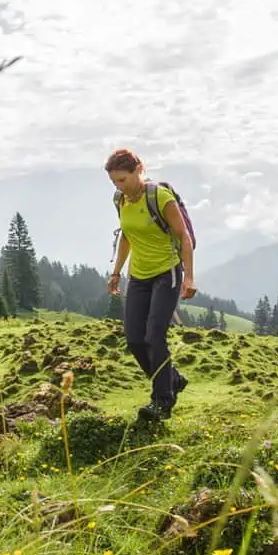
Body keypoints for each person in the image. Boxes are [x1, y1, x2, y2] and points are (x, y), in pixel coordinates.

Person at [104, 147, 196, 421]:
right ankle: (173, 379)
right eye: (114, 182)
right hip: (139, 276)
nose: (120, 186)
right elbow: (126, 236)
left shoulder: (160, 197)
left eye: (123, 179)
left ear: (137, 171)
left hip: (166, 272)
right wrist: (116, 272)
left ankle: (162, 401)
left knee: (154, 335)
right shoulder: (120, 200)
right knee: (134, 339)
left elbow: (184, 237)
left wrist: (189, 276)